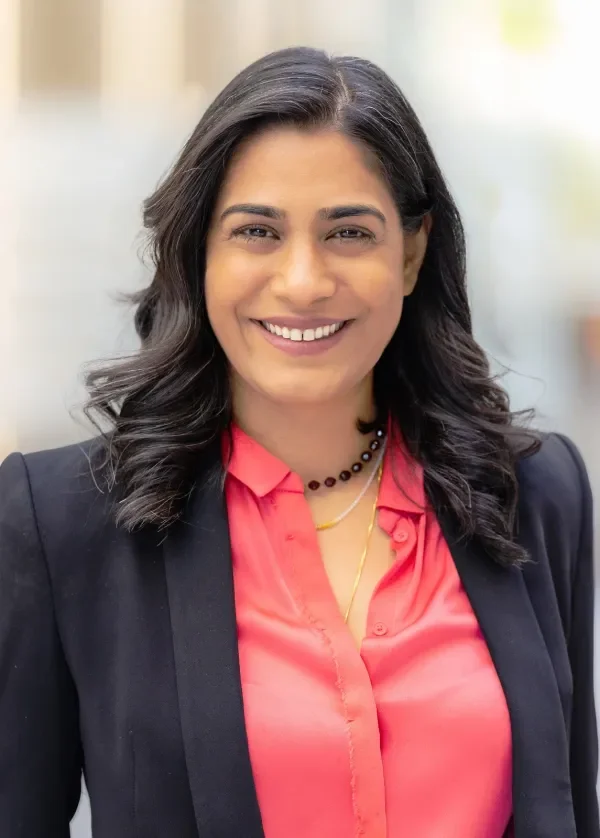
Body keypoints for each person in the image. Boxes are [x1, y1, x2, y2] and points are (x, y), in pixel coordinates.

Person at [0, 46, 597, 838]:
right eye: (257, 232)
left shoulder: (535, 494)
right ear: (199, 253)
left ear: (411, 254)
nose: (304, 280)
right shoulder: (61, 525)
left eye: (349, 232)